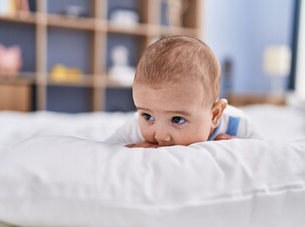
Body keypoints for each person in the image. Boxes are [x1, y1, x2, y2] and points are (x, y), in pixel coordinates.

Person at [107, 35, 259, 148]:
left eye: (177, 119)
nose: (160, 135)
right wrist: (128, 150)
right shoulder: (136, 126)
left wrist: (241, 151)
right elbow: (106, 152)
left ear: (214, 115)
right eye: (148, 116)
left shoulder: (237, 126)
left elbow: (264, 157)